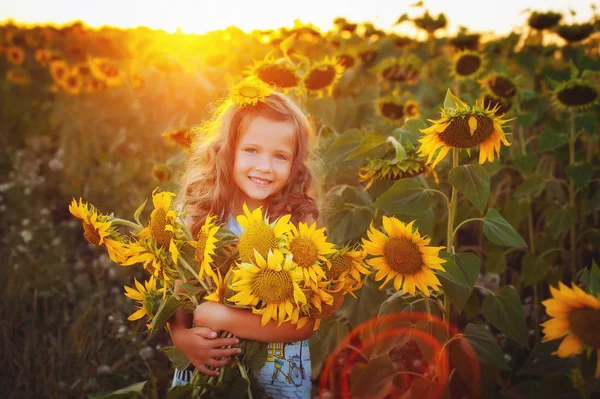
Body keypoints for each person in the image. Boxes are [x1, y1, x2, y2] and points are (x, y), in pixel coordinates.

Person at [169, 81, 321, 398]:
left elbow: (304, 324)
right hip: (205, 368)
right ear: (227, 151)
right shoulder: (198, 215)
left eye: (280, 156)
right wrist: (182, 338)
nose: (264, 167)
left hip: (275, 378)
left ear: (295, 164)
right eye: (251, 150)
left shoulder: (298, 223)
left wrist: (225, 317)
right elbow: (180, 299)